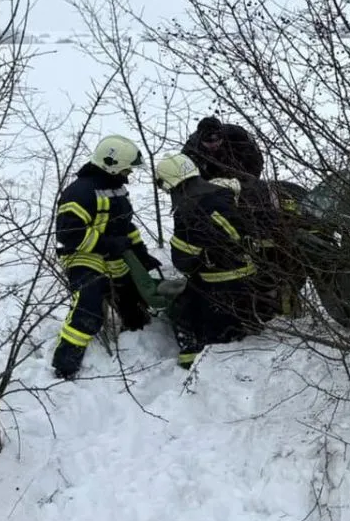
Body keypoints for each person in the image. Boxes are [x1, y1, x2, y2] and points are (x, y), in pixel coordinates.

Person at [154, 152, 281, 368]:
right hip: (253, 278)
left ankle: (193, 366)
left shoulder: (188, 209)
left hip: (219, 288)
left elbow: (182, 260)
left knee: (197, 323)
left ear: (168, 182)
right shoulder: (224, 192)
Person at [51, 134, 163, 379]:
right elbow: (69, 234)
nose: (129, 174)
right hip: (82, 256)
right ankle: (66, 363)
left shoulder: (117, 190)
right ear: (111, 165)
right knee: (89, 304)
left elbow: (127, 228)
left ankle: (136, 332)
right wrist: (108, 244)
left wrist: (141, 254)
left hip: (113, 256)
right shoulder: (79, 192)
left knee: (133, 300)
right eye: (126, 169)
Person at [181, 116, 265, 181]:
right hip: (210, 182)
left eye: (218, 139)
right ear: (200, 139)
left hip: (240, 171)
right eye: (209, 141)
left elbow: (256, 160)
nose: (214, 144)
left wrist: (250, 182)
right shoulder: (190, 150)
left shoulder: (238, 135)